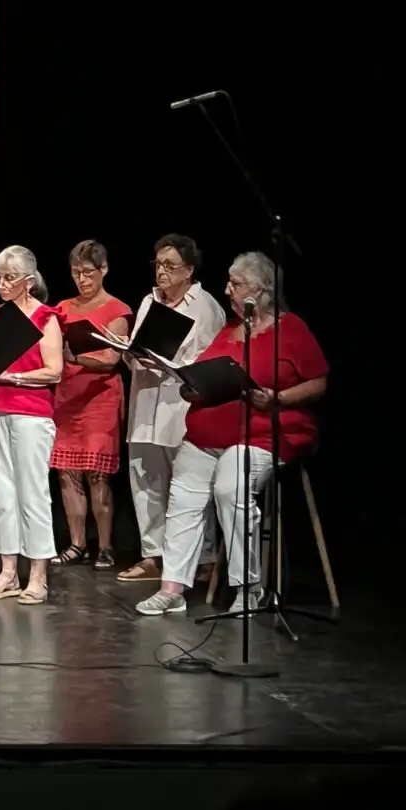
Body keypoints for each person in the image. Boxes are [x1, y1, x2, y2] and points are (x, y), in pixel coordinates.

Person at [136, 252, 329, 616]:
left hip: (263, 432)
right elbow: (206, 371)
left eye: (235, 285)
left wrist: (279, 397)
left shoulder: (290, 329)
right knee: (184, 495)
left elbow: (319, 382)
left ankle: (247, 587)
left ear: (261, 290)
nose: (227, 290)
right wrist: (190, 386)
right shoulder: (229, 330)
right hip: (210, 431)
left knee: (231, 487)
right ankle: (172, 588)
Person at [118, 234, 227, 583]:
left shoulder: (205, 307)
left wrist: (170, 362)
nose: (162, 272)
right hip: (145, 403)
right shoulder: (149, 301)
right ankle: (153, 555)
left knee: (189, 488)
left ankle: (205, 558)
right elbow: (137, 350)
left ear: (189, 270)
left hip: (179, 408)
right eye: (158, 265)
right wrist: (128, 350)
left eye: (170, 266)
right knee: (146, 483)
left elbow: (210, 361)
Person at [0, 245, 65, 604]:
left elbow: (54, 370)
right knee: (2, 493)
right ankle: (8, 571)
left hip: (30, 412)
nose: (2, 284)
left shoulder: (44, 317)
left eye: (9, 278)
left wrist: (14, 378)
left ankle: (38, 574)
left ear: (28, 280)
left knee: (32, 492)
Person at [51, 241, 132, 569]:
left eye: (88, 272)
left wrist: (74, 356)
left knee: (98, 474)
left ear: (104, 270)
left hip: (99, 398)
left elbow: (112, 358)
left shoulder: (117, 309)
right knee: (68, 472)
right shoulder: (63, 308)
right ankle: (77, 543)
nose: (81, 279)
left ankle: (107, 545)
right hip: (67, 398)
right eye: (75, 273)